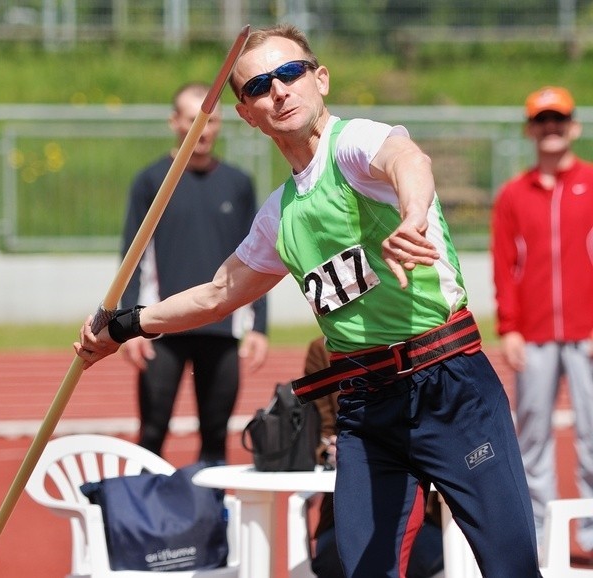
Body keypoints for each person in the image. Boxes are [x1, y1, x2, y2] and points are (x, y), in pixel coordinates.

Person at [76, 24, 542, 577]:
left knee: (511, 567)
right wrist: (125, 326)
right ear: (246, 114)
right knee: (358, 568)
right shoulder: (279, 215)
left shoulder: (354, 146)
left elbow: (408, 160)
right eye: (258, 86)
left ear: (319, 78)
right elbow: (218, 293)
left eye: (290, 73)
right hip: (367, 404)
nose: (279, 90)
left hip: (449, 384)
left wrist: (413, 217)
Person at [118, 82, 269, 463]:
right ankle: (144, 518)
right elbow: (132, 257)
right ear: (175, 122)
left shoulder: (238, 184)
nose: (203, 129)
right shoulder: (151, 180)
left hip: (221, 329)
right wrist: (130, 323)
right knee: (152, 432)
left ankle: (212, 519)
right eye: (193, 119)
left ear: (220, 125)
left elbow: (259, 258)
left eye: (211, 120)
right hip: (161, 328)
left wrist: (259, 327)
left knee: (217, 438)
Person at [491, 85, 593, 563]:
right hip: (532, 333)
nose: (551, 128)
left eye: (559, 119)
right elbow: (504, 262)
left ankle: (592, 536)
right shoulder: (513, 194)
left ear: (573, 126)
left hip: (587, 333)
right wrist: (510, 327)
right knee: (532, 435)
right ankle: (539, 536)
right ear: (531, 129)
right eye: (542, 120)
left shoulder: (592, 184)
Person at [305, 337, 444, 578]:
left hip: (424, 519)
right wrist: (332, 448)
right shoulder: (321, 349)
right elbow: (319, 434)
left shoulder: (424, 340)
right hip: (344, 517)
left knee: (410, 555)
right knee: (339, 559)